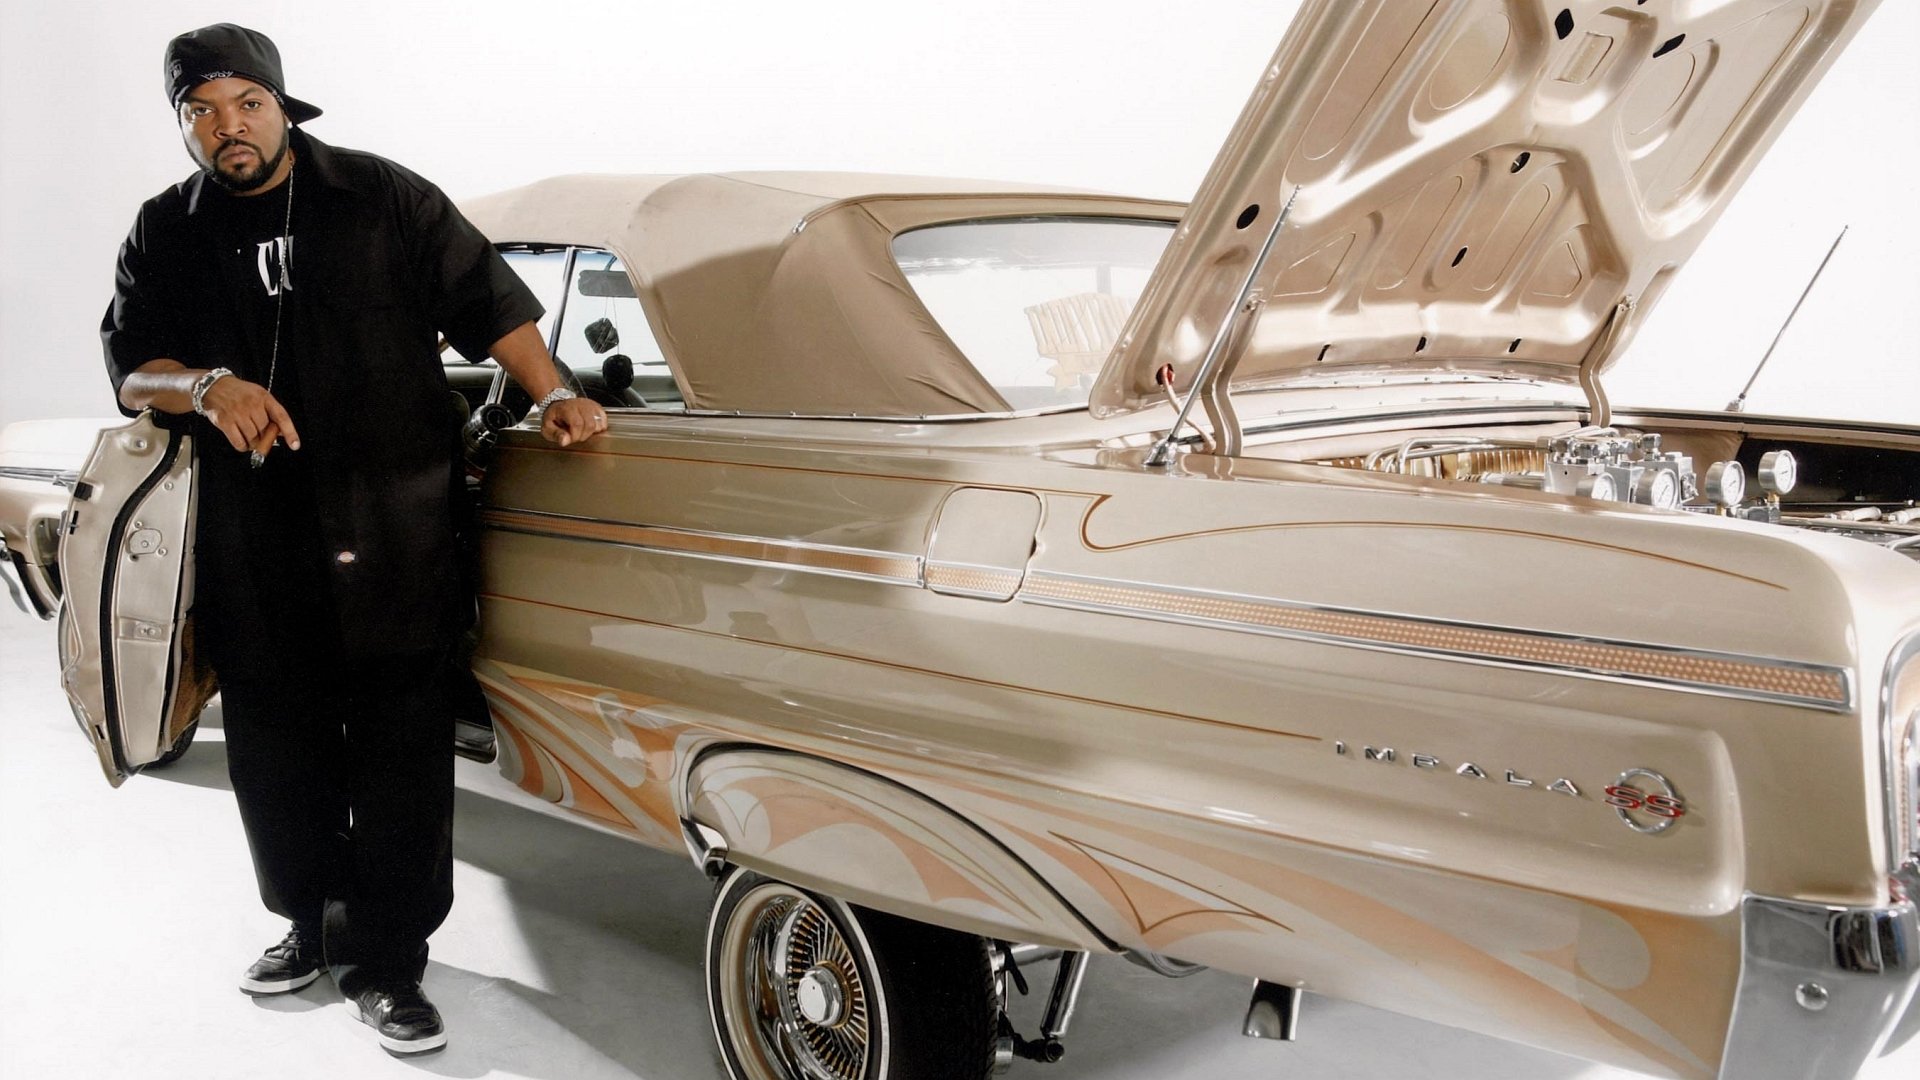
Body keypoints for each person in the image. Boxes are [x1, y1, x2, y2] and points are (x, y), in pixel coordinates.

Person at [100, 23, 606, 1055]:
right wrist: (204, 385)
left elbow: (488, 302)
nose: (228, 126)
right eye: (202, 111)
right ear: (184, 126)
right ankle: (307, 923)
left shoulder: (381, 196)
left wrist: (554, 391)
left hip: (396, 525)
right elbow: (130, 369)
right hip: (253, 535)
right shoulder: (165, 228)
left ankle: (389, 961)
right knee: (273, 747)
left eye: (247, 103)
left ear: (282, 106)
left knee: (399, 752)